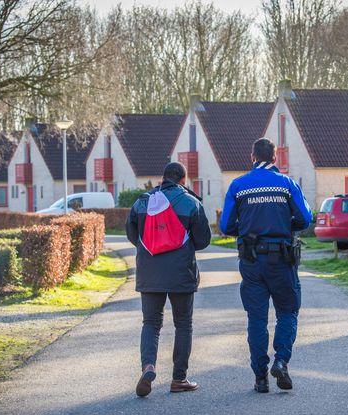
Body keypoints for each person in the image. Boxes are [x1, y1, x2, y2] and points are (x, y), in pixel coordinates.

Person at [219, 138, 312, 393]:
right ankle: (281, 361)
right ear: (275, 158)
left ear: (252, 157)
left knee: (256, 318)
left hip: (250, 259)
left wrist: (247, 229)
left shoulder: (238, 186)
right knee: (287, 311)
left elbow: (226, 226)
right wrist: (284, 224)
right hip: (281, 259)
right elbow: (305, 218)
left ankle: (260, 377)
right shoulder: (286, 184)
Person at [126, 162, 211, 397]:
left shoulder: (143, 201)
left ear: (162, 178)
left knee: (151, 323)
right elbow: (203, 241)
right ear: (183, 180)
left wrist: (151, 251)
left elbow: (132, 233)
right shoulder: (191, 202)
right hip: (181, 273)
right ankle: (179, 379)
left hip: (149, 272)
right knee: (183, 324)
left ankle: (148, 367)